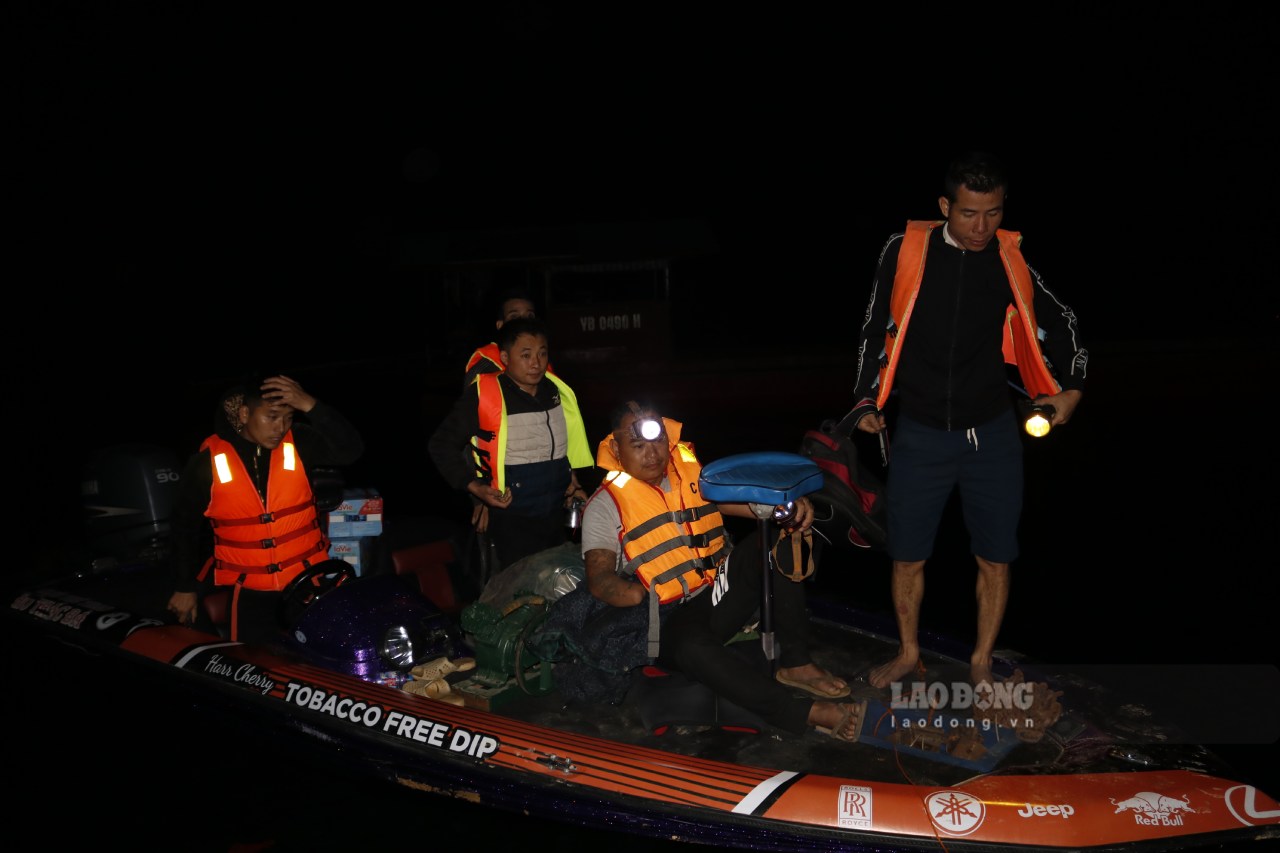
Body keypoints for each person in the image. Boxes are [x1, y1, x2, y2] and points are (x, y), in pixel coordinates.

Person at [842, 150, 1087, 690]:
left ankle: (980, 662)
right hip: (921, 433)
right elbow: (873, 325)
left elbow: (1061, 321)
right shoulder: (905, 250)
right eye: (969, 214)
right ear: (944, 207)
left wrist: (1072, 389)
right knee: (907, 554)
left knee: (995, 556)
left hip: (993, 433)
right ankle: (908, 653)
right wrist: (865, 401)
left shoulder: (1007, 258)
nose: (982, 228)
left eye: (994, 213)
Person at [573, 399, 865, 741]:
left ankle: (796, 662)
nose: (651, 454)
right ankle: (802, 713)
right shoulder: (604, 506)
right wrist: (628, 593)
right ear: (616, 449)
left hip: (714, 593)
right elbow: (599, 578)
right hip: (665, 618)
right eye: (637, 446)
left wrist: (788, 508)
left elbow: (752, 506)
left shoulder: (691, 474)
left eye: (657, 443)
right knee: (691, 647)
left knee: (773, 542)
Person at [166, 374, 364, 644]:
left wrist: (310, 405)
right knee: (250, 667)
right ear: (245, 413)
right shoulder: (207, 462)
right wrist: (184, 587)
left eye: (288, 417)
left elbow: (351, 449)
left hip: (307, 582)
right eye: (271, 417)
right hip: (249, 590)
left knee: (322, 658)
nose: (280, 427)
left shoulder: (300, 443)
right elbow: (183, 526)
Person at [429, 316, 592, 573]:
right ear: (505, 358)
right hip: (514, 518)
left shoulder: (553, 390)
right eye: (525, 355)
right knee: (520, 595)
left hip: (554, 515)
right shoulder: (485, 394)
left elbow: (560, 446)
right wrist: (476, 488)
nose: (536, 363)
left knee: (559, 586)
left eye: (542, 353)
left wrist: (574, 484)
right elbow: (441, 445)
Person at [462, 287, 540, 388]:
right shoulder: (485, 367)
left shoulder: (543, 360)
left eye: (529, 316)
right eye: (514, 317)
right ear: (500, 325)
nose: (524, 323)